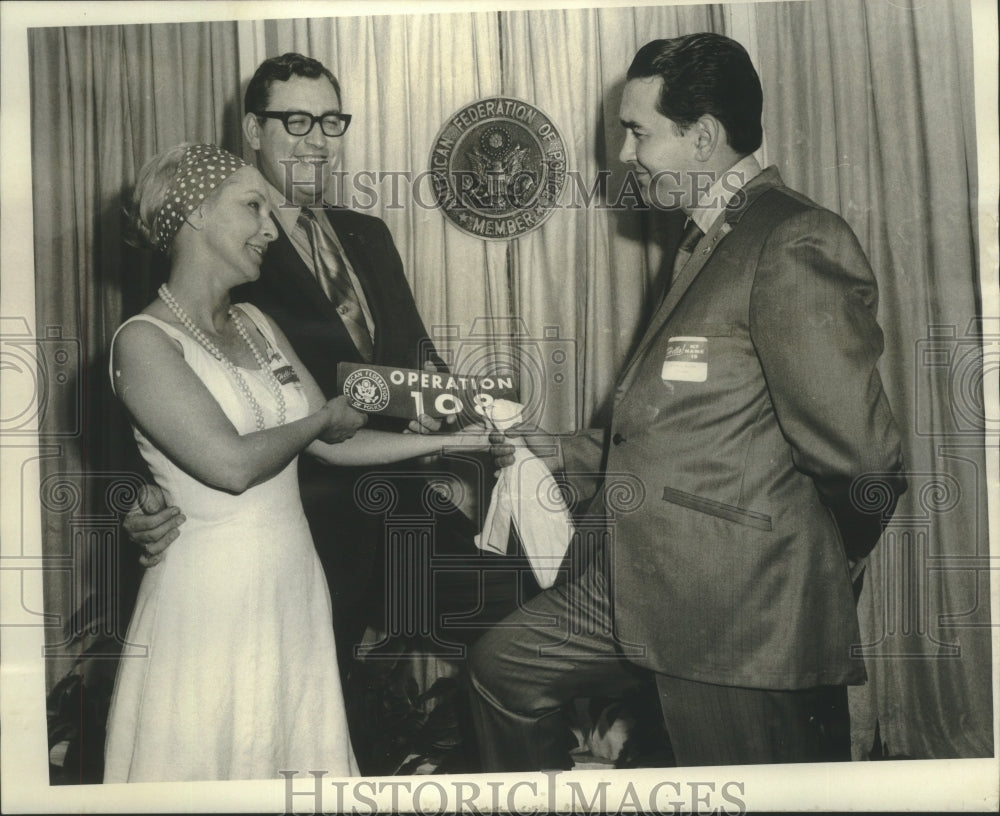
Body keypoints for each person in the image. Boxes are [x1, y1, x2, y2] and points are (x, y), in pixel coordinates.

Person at [467, 33, 907, 769]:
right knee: (499, 670)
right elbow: (697, 423)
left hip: (735, 606)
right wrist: (572, 449)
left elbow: (864, 461)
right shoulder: (704, 239)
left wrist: (813, 568)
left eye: (639, 133)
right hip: (635, 580)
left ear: (702, 138)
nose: (628, 155)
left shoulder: (792, 239)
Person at [122, 54, 538, 681]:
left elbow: (417, 364)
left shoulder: (367, 232)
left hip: (403, 509)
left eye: (330, 121)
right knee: (326, 721)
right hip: (299, 530)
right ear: (253, 130)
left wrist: (482, 430)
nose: (318, 140)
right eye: (295, 121)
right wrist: (133, 499)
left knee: (522, 621)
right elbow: (148, 395)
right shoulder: (211, 246)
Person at [103, 143, 487, 782]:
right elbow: (230, 465)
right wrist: (321, 418)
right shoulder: (142, 342)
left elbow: (334, 444)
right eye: (252, 207)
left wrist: (451, 442)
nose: (268, 227)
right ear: (195, 214)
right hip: (209, 600)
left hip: (293, 585)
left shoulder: (256, 321)